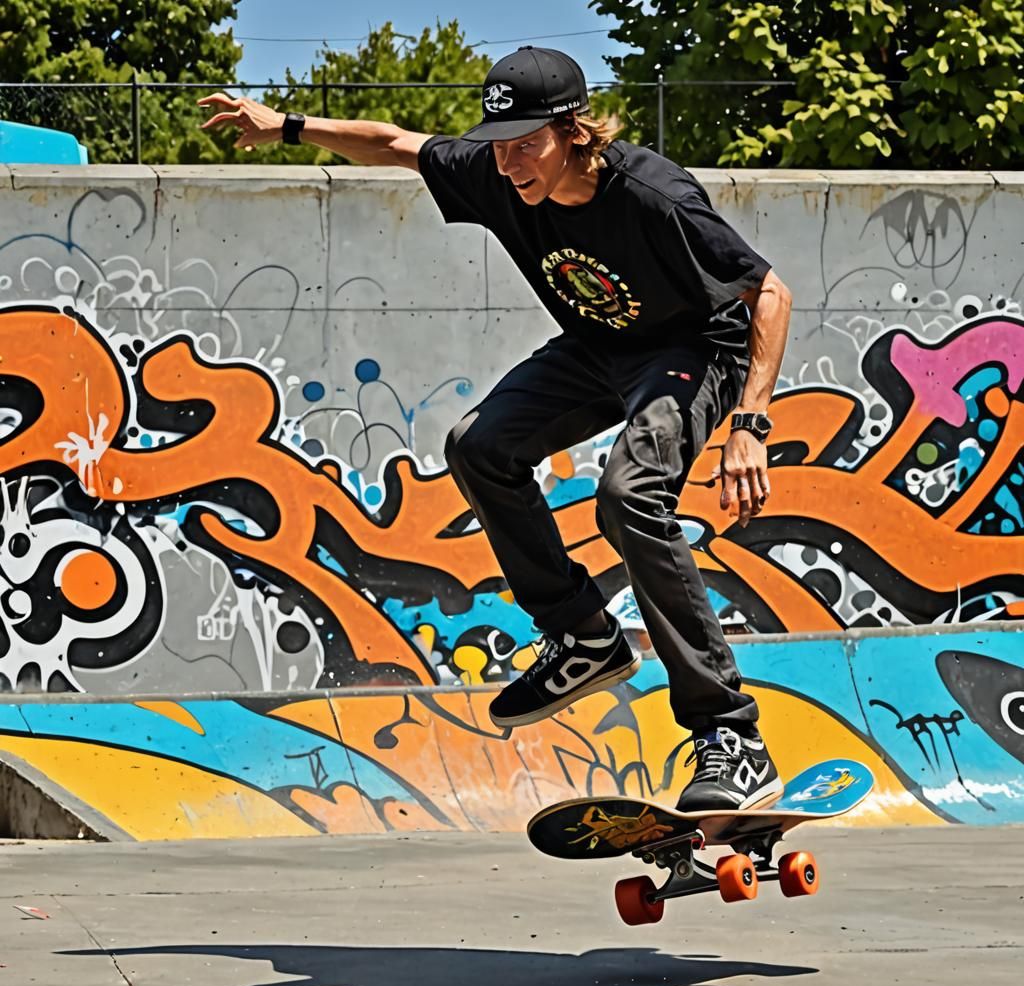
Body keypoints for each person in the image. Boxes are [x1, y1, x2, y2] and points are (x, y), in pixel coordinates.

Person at [199, 46, 792, 812]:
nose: (510, 166)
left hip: (692, 351)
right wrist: (285, 126)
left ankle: (730, 735)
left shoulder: (655, 195)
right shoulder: (493, 170)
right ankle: (582, 634)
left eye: (527, 146)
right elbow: (395, 144)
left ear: (574, 132)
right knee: (479, 447)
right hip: (598, 348)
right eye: (499, 146)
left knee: (630, 496)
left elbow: (768, 293)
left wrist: (750, 424)